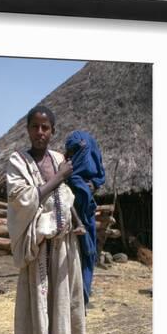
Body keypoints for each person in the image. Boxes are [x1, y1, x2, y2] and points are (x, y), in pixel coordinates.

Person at [6, 106, 87, 334]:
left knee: (66, 309)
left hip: (64, 250)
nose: (40, 133)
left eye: (46, 128)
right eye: (35, 127)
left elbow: (66, 198)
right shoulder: (17, 163)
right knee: (37, 312)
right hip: (36, 250)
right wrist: (59, 177)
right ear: (27, 129)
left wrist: (77, 223)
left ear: (53, 131)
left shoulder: (58, 160)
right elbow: (25, 200)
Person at [64, 130, 106, 305]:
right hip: (67, 228)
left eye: (81, 152)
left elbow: (98, 176)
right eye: (74, 152)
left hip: (84, 225)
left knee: (85, 258)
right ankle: (73, 300)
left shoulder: (85, 183)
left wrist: (93, 186)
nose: (78, 156)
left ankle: (81, 299)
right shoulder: (65, 175)